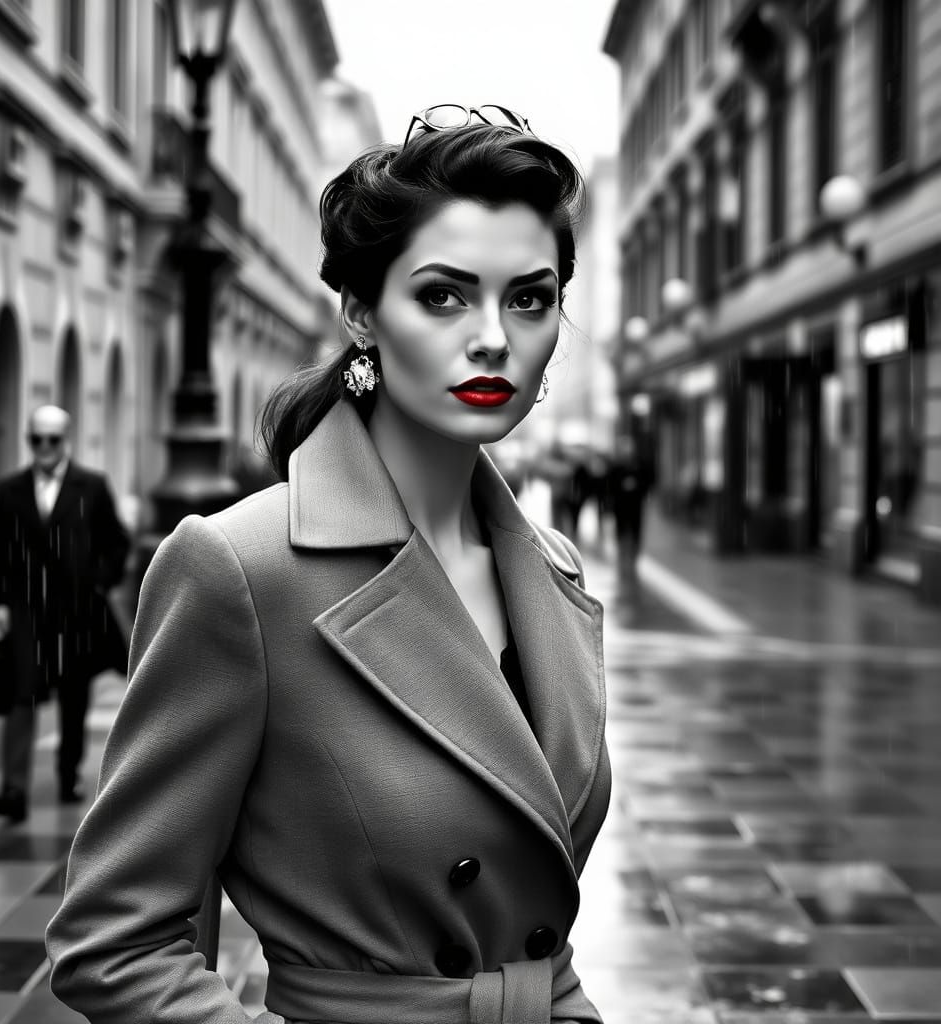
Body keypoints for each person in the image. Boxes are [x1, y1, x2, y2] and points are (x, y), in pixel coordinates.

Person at [46, 105, 611, 1024]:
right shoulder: (240, 569)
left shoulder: (554, 568)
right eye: (442, 294)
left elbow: (534, 921)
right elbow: (114, 942)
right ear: (359, 312)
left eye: (529, 298)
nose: (493, 338)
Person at [0, 404, 130, 823]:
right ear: (28, 440)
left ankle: (68, 772)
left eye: (52, 439)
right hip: (27, 609)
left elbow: (117, 542)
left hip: (75, 610)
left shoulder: (93, 486)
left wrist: (98, 580)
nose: (44, 447)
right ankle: (13, 788)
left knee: (73, 694)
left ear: (66, 439)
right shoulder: (9, 489)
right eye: (36, 439)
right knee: (19, 694)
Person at [608, 433, 651, 580]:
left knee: (635, 530)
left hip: (635, 505)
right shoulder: (616, 467)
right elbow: (610, 485)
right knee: (621, 530)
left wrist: (636, 486)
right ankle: (622, 555)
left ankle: (634, 556)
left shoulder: (639, 466)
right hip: (620, 505)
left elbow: (647, 482)